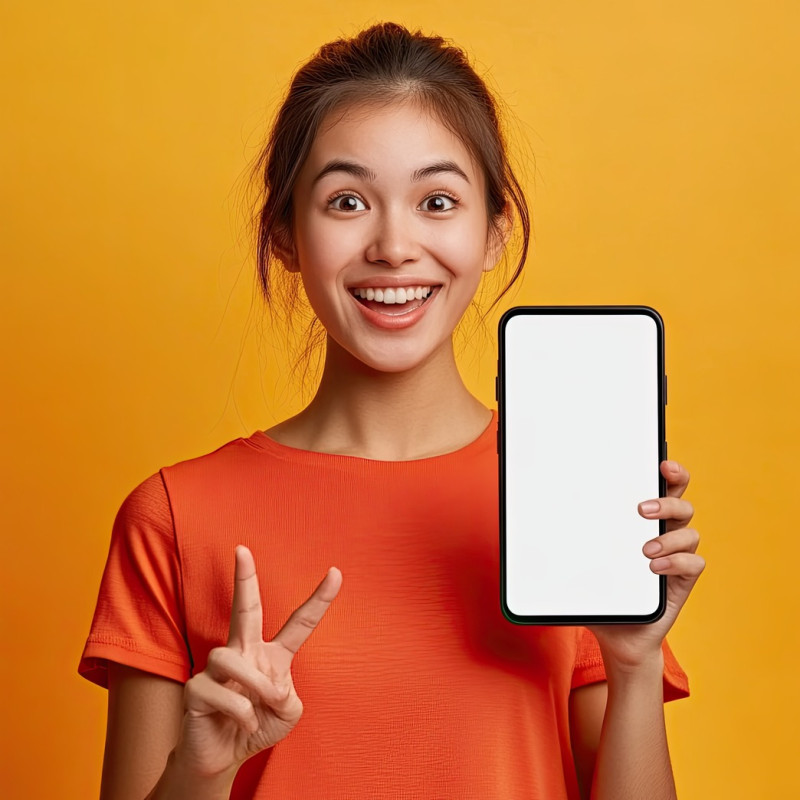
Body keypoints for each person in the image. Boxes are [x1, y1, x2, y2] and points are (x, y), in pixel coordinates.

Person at [79, 22, 705, 800]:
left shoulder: (567, 495)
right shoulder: (174, 517)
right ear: (284, 235)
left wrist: (635, 665)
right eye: (347, 201)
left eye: (437, 201)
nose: (394, 245)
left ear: (493, 233)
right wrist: (204, 769)